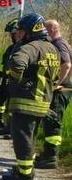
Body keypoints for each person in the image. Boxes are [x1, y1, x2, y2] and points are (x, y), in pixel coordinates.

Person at [4, 13, 59, 180]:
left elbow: (17, 64)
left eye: (21, 30)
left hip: (26, 101)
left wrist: (16, 81)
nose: (18, 34)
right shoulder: (52, 49)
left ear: (30, 30)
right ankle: (26, 169)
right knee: (31, 137)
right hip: (43, 102)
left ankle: (24, 174)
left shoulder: (29, 47)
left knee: (22, 138)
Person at [35, 19, 72, 169]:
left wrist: (57, 83)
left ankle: (51, 157)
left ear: (52, 30)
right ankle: (48, 154)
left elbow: (67, 64)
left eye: (45, 30)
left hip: (61, 90)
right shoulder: (63, 43)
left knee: (53, 123)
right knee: (51, 121)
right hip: (66, 88)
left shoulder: (58, 44)